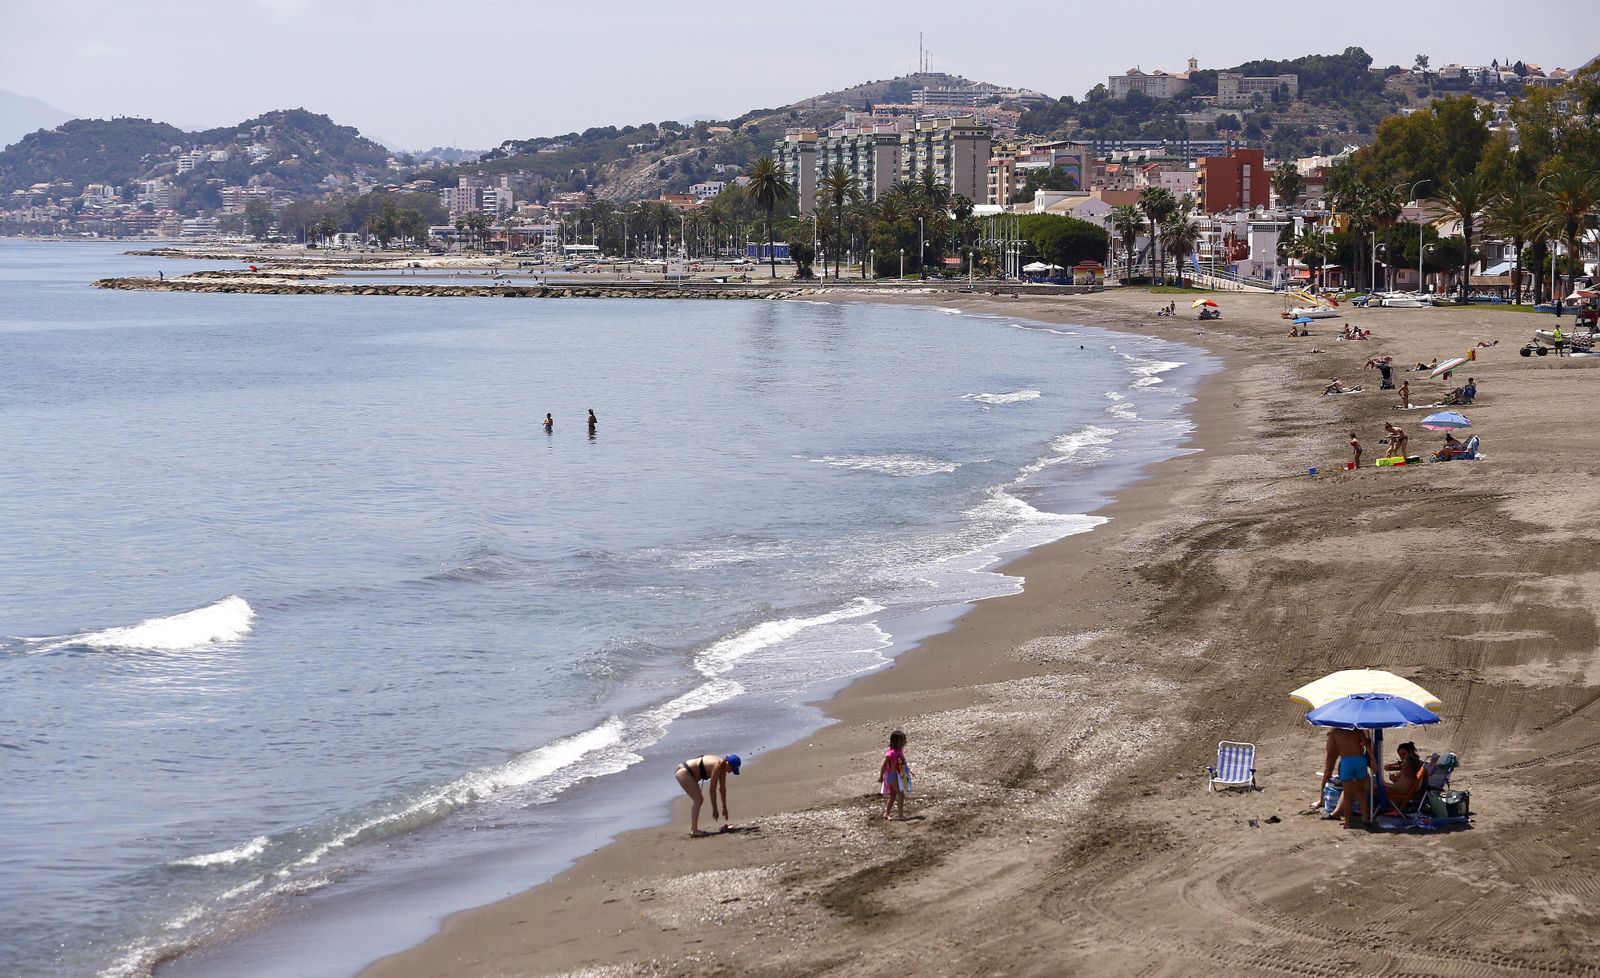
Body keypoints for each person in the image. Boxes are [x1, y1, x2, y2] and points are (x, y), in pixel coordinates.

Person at [1319, 727, 1376, 828]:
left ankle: (1347, 823)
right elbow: (1367, 745)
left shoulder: (1335, 732)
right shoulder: (1357, 730)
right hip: (1360, 760)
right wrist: (1373, 760)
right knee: (1361, 791)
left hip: (1346, 761)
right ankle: (1365, 818)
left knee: (1347, 794)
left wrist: (1328, 769)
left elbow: (1331, 751)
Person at [674, 753, 741, 836]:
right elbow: (712, 790)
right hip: (684, 772)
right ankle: (694, 830)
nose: (730, 772)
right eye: (732, 769)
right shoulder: (718, 765)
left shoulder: (723, 767)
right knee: (698, 799)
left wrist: (724, 808)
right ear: (728, 763)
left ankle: (693, 829)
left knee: (698, 799)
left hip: (688, 772)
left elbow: (722, 789)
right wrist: (715, 809)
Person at [878, 730, 912, 820]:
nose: (905, 741)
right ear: (897, 741)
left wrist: (909, 770)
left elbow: (902, 763)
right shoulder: (891, 753)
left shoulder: (899, 751)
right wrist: (881, 776)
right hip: (892, 776)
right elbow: (884, 765)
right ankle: (900, 815)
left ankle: (886, 813)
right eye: (903, 740)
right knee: (901, 794)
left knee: (893, 794)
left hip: (898, 775)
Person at [1384, 741, 1426, 809]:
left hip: (1398, 799)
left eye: (1404, 754)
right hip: (1398, 795)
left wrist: (1396, 769)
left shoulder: (1413, 767)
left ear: (1411, 752)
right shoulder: (1412, 766)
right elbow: (1386, 767)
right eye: (1400, 756)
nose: (1402, 757)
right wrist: (1397, 765)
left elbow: (1405, 786)